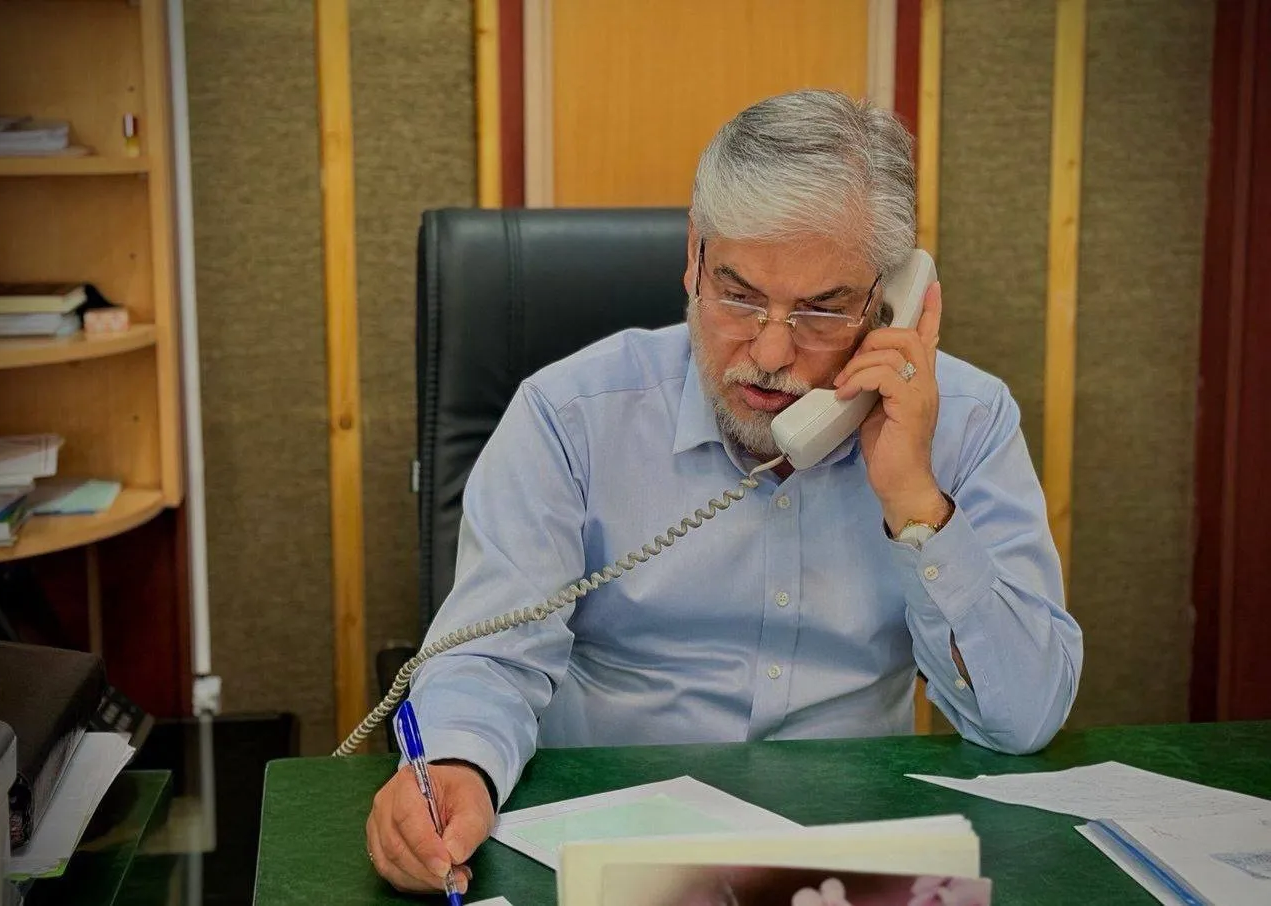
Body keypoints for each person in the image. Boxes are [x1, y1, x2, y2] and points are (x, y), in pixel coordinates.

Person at [365, 89, 1083, 894]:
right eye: (739, 296)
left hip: (847, 860)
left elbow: (1024, 718)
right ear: (694, 258)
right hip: (607, 854)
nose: (770, 353)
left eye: (821, 311)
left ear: (891, 302)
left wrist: (917, 502)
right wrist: (458, 764)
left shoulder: (968, 422)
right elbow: (492, 653)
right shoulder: (569, 418)